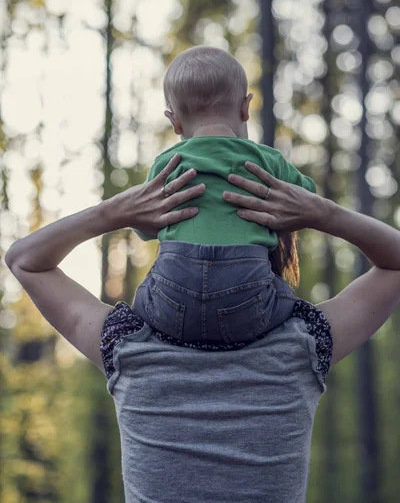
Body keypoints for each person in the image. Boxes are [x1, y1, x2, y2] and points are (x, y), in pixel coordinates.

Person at [5, 154, 400, 503]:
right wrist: (323, 213)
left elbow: (25, 259)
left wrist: (116, 211)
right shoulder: (304, 346)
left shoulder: (127, 347)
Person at [133, 45, 316, 347]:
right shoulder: (267, 160)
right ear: (245, 108)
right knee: (290, 303)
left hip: (173, 297)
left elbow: (143, 227)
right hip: (248, 294)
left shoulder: (167, 164)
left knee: (142, 302)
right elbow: (309, 201)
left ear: (174, 120)